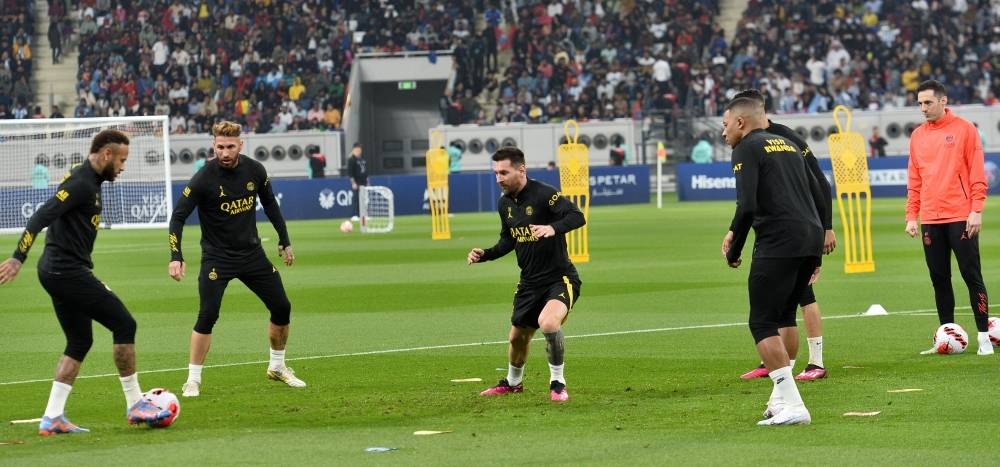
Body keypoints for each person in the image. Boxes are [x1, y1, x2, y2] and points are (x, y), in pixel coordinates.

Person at [0, 129, 172, 435]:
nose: (122, 166)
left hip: (59, 271)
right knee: (124, 324)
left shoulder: (91, 179)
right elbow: (41, 215)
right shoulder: (81, 183)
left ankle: (52, 417)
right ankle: (136, 404)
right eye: (121, 159)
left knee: (80, 341)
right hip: (64, 271)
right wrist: (17, 257)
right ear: (106, 155)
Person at [168, 121, 306, 398]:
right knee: (208, 314)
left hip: (252, 254)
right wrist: (176, 256)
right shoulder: (203, 178)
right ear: (213, 146)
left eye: (230, 146)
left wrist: (284, 239)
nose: (225, 152)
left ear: (240, 145)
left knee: (282, 306)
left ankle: (277, 367)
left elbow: (270, 204)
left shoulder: (255, 170)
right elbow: (178, 216)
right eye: (220, 147)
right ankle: (193, 380)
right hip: (217, 258)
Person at [721, 95, 824, 426]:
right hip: (810, 239)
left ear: (740, 122)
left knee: (761, 322)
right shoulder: (787, 143)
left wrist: (734, 249)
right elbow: (816, 189)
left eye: (725, 126)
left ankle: (794, 405)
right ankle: (779, 400)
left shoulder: (746, 148)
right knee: (784, 316)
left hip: (779, 241)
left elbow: (747, 205)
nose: (723, 134)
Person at [732, 89, 836, 383]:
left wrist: (826, 226)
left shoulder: (786, 138)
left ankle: (815, 361)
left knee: (803, 295)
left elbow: (819, 182)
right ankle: (778, 362)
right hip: (782, 231)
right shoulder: (752, 143)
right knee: (781, 304)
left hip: (799, 231)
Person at [468, 147, 586, 402]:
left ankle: (558, 383)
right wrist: (485, 254)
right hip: (529, 283)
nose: (498, 178)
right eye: (495, 173)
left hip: (559, 278)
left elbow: (577, 216)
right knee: (517, 338)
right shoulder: (505, 204)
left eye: (504, 172)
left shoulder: (545, 194)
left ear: (521, 170)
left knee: (549, 323)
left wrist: (552, 228)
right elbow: (507, 241)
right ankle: (513, 383)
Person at [906, 80, 992, 356]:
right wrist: (912, 216)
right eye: (919, 103)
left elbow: (978, 173)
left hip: (960, 216)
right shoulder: (917, 136)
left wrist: (976, 209)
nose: (923, 108)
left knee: (971, 275)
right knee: (939, 279)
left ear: (943, 101)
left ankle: (983, 337)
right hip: (931, 218)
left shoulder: (965, 130)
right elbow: (914, 180)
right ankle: (946, 337)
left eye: (928, 102)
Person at [347, 142, 368, 222]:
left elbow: (365, 171)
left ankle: (363, 215)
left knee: (363, 199)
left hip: (363, 181)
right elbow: (350, 172)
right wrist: (353, 183)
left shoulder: (362, 159)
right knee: (356, 198)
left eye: (360, 148)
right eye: (358, 148)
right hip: (357, 182)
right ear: (355, 149)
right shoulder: (351, 159)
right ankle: (355, 215)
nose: (360, 150)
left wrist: (367, 180)